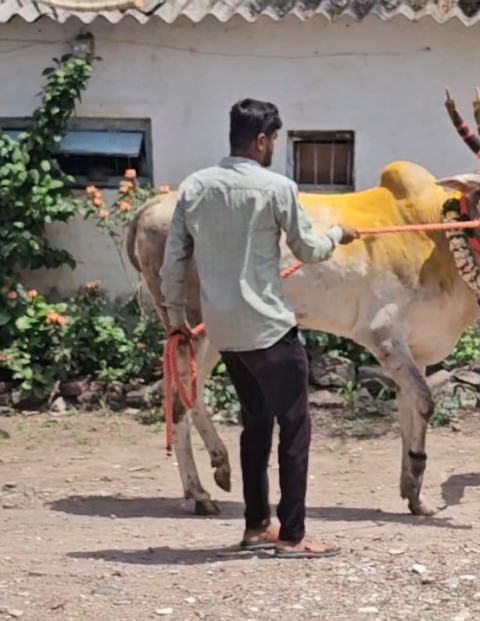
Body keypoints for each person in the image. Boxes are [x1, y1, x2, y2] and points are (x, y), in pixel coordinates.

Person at [159, 98, 359, 558]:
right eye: (273, 141)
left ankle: (255, 527)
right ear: (263, 140)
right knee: (295, 429)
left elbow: (174, 263)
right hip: (269, 329)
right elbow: (308, 249)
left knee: (256, 425)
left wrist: (176, 322)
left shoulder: (195, 188)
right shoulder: (277, 188)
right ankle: (292, 534)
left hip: (226, 333)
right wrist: (338, 235)